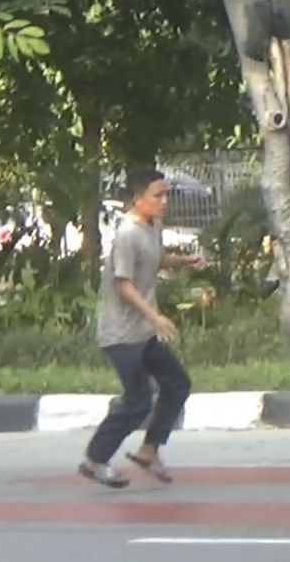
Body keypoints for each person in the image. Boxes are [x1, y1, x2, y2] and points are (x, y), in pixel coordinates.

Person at [79, 169, 203, 488]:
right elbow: (123, 283)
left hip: (143, 333)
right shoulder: (127, 234)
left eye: (166, 195)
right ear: (137, 199)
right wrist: (155, 317)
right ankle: (95, 460)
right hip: (120, 334)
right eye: (157, 196)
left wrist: (185, 262)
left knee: (177, 384)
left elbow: (156, 260)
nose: (164, 202)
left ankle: (149, 450)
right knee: (138, 400)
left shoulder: (152, 225)